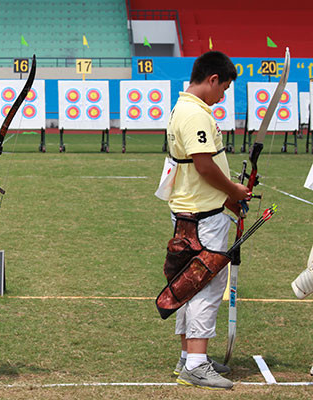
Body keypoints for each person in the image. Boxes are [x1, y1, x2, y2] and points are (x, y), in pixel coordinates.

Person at [164, 51, 250, 390]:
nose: (223, 96)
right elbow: (203, 165)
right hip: (203, 215)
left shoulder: (185, 109)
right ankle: (196, 364)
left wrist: (228, 197)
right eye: (224, 88)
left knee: (189, 280)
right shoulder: (194, 114)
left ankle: (190, 356)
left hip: (195, 209)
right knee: (205, 282)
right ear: (212, 79)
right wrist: (232, 191)